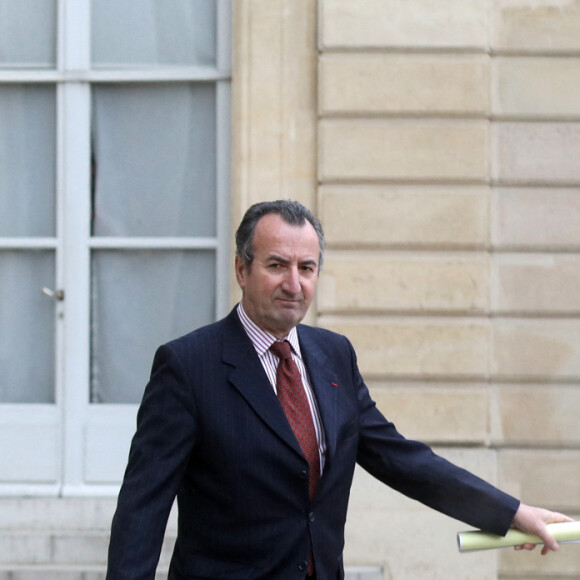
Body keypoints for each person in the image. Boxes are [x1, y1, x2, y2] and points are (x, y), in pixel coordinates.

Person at [106, 200, 572, 580]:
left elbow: (401, 459)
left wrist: (510, 512)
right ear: (241, 269)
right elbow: (142, 507)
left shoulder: (334, 356)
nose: (294, 284)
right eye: (276, 265)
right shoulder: (187, 366)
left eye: (306, 268)